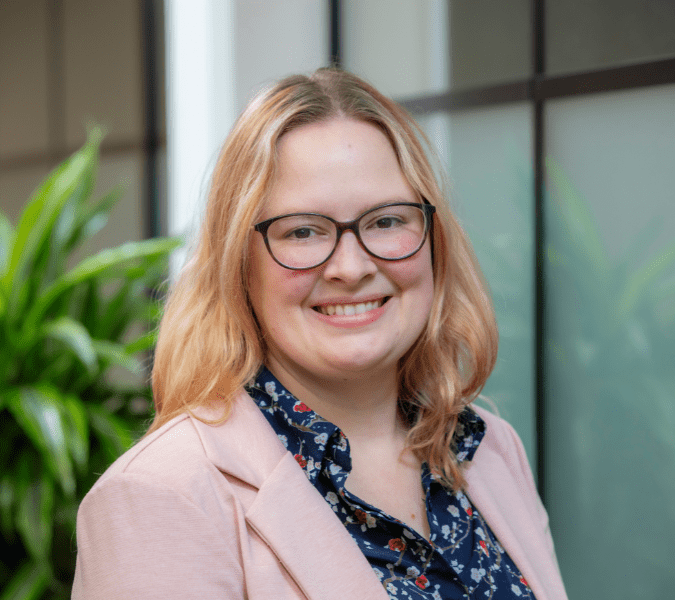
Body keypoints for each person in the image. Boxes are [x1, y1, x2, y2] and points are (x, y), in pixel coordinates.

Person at [72, 68, 568, 600]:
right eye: (303, 231)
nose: (351, 267)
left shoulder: (491, 451)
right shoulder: (160, 497)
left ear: (433, 240)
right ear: (241, 265)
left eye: (385, 221)